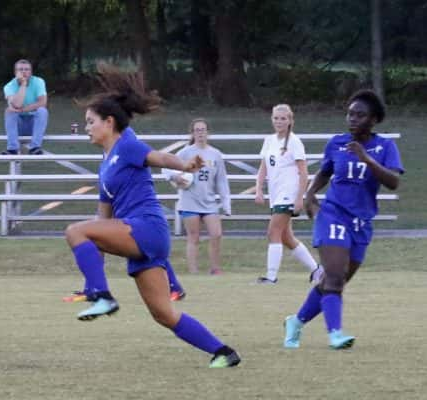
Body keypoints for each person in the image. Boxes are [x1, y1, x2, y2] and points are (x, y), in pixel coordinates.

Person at [63, 64, 240, 368]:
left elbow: (158, 157)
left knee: (74, 230)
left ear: (109, 122)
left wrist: (184, 166)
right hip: (141, 241)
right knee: (163, 314)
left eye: (91, 122)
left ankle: (103, 295)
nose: (87, 127)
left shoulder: (127, 144)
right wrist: (90, 274)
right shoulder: (105, 167)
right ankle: (223, 352)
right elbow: (100, 222)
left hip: (146, 229)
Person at [283, 90, 403, 349]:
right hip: (333, 215)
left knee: (332, 283)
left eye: (360, 115)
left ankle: (296, 321)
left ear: (374, 119)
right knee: (335, 278)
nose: (353, 119)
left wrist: (367, 159)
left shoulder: (385, 146)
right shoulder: (336, 143)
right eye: (350, 114)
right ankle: (335, 333)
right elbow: (325, 171)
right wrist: (310, 195)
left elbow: (393, 182)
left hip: (361, 223)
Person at [254, 104, 323, 284]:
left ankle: (271, 276)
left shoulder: (294, 141)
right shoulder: (269, 140)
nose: (279, 121)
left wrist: (300, 196)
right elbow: (264, 167)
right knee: (286, 237)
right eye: (276, 118)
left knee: (273, 231)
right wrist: (259, 188)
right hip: (275, 193)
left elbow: (303, 172)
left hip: (288, 192)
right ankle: (316, 270)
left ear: (290, 120)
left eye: (283, 118)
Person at [164, 119, 230, 275]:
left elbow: (221, 180)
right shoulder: (186, 152)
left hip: (209, 202)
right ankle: (194, 273)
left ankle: (215, 269)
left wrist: (226, 203)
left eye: (203, 130)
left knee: (216, 234)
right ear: (192, 133)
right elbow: (166, 168)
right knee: (193, 237)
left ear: (208, 132)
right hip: (190, 201)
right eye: (197, 130)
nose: (200, 133)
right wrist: (176, 177)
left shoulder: (215, 154)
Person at [2, 59, 48, 155]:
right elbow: (16, 105)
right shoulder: (9, 86)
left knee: (42, 111)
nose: (24, 72)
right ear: (15, 72)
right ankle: (12, 149)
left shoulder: (39, 82)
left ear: (31, 72)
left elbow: (43, 102)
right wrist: (23, 84)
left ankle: (35, 147)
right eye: (20, 69)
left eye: (27, 69)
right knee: (9, 111)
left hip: (34, 124)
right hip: (18, 126)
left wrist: (22, 109)